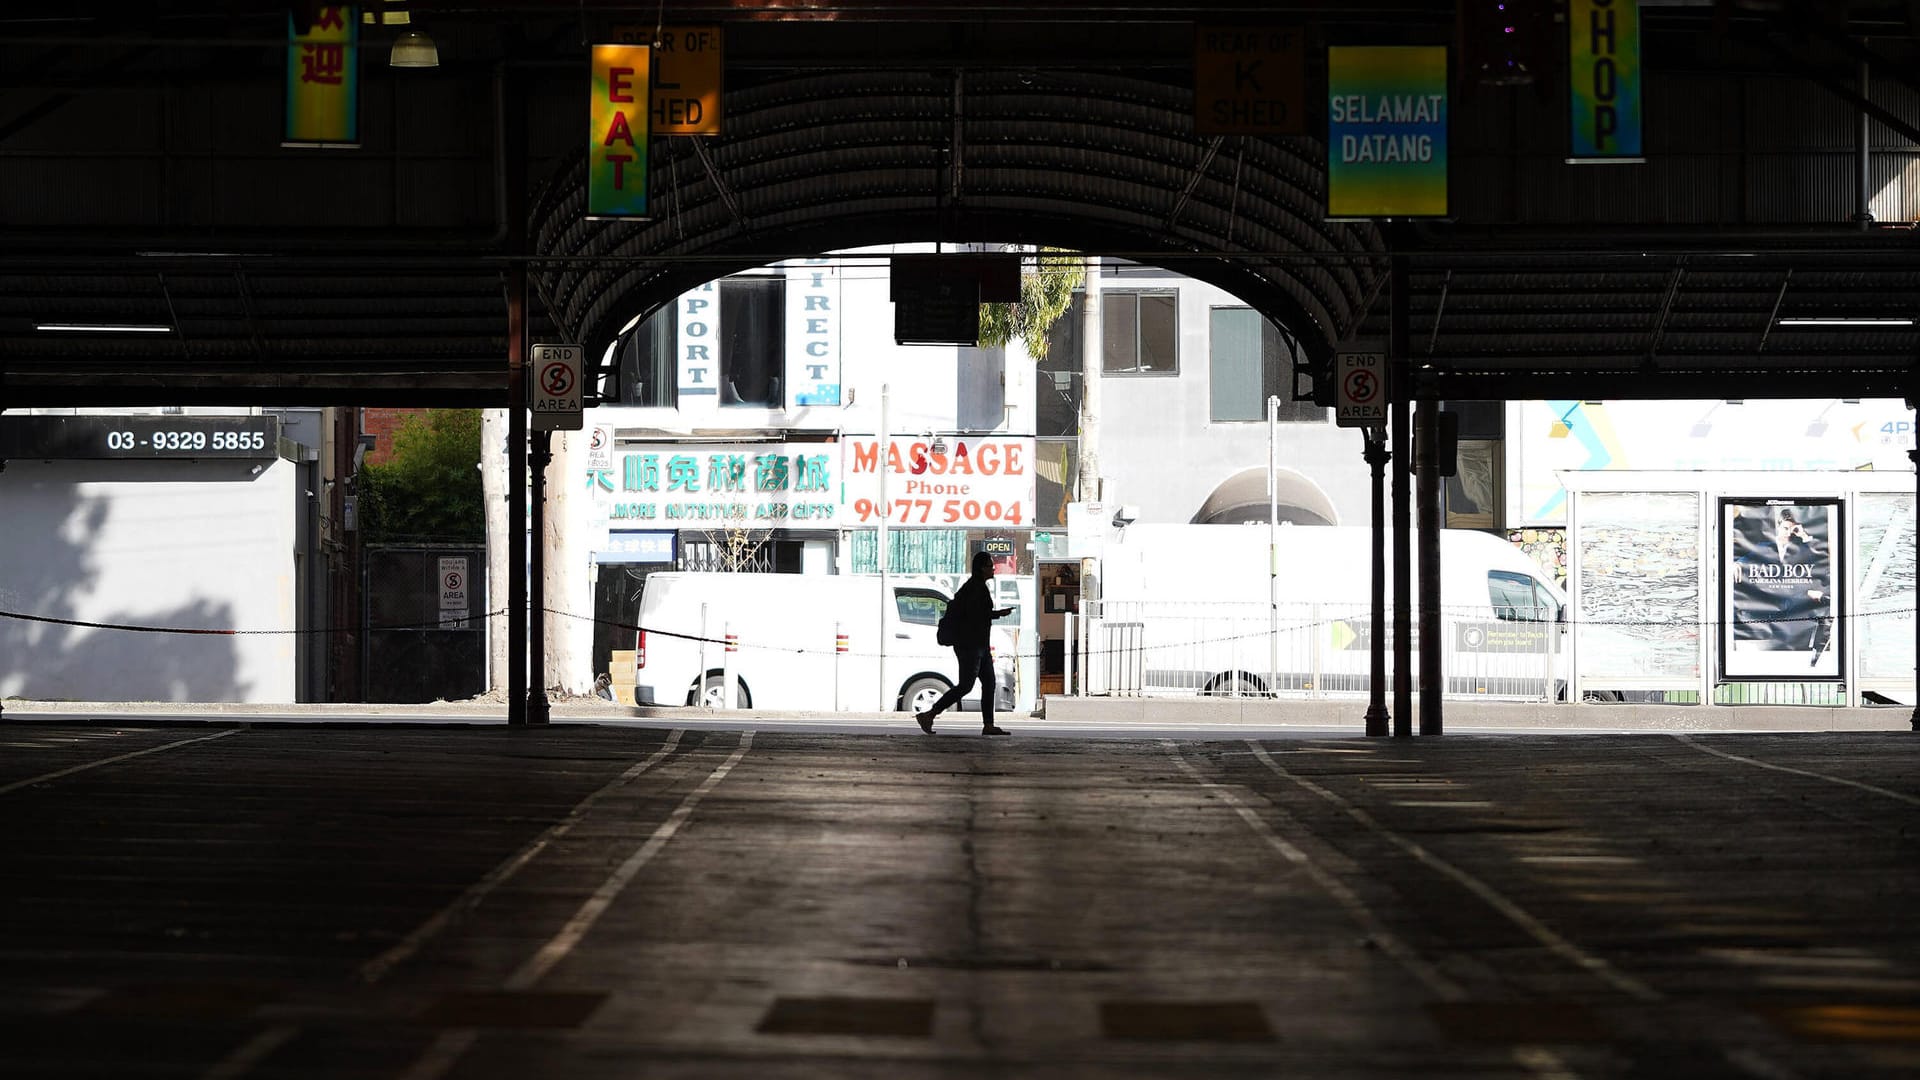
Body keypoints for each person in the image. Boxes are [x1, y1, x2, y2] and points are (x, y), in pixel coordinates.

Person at [917, 551, 1014, 736]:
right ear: (981, 568)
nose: (992, 568)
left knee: (989, 682)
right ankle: (929, 714)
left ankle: (989, 724)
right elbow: (974, 616)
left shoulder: (976, 587)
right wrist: (997, 614)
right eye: (989, 565)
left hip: (979, 645)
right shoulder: (974, 588)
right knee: (966, 685)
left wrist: (996, 614)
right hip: (971, 645)